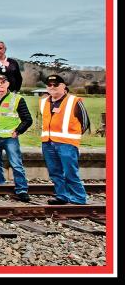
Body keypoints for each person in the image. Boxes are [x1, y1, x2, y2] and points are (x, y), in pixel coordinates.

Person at [0, 74, 33, 202]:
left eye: (3, 82)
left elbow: (27, 119)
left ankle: (21, 190)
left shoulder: (17, 99)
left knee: (16, 164)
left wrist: (18, 131)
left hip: (10, 138)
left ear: (8, 84)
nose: (0, 84)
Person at [39, 74, 90, 205]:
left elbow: (85, 123)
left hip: (67, 144)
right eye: (49, 85)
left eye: (55, 84)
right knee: (54, 172)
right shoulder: (43, 101)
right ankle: (62, 196)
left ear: (63, 86)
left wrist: (73, 136)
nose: (52, 87)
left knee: (70, 172)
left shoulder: (74, 101)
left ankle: (79, 197)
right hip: (48, 143)